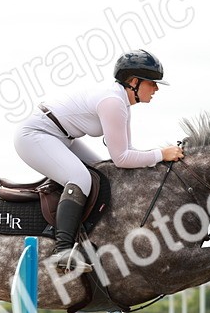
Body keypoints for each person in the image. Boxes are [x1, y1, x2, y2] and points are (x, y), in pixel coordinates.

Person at [14, 49, 185, 273]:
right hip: (35, 135)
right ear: (134, 82)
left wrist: (158, 156)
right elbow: (122, 158)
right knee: (80, 178)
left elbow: (126, 153)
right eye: (152, 83)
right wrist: (161, 154)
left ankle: (89, 239)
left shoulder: (122, 102)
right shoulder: (113, 101)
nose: (156, 89)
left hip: (61, 136)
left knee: (105, 175)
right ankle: (62, 251)